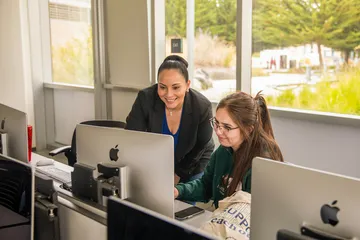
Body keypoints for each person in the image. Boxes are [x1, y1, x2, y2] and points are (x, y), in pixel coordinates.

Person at [174, 91, 283, 208]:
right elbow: (206, 185)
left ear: (248, 129)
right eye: (216, 123)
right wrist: (178, 191)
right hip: (223, 220)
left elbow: (256, 213)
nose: (218, 131)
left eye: (227, 127)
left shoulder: (262, 163)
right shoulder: (224, 150)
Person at [126, 55, 214, 185]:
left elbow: (200, 146)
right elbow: (132, 136)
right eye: (162, 87)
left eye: (176, 87)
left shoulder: (202, 106)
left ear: (187, 85)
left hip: (193, 160)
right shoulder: (145, 98)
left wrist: (178, 174)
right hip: (157, 161)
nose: (169, 94)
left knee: (183, 203)